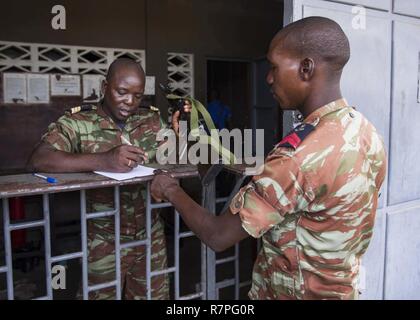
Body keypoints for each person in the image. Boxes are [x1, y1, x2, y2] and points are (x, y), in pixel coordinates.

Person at [151, 16, 387, 300]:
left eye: (274, 67)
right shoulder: (364, 131)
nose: (269, 78)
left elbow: (217, 235)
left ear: (306, 68)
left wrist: (170, 189)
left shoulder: (297, 156)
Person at [27, 58, 171, 300]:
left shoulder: (151, 120)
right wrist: (103, 160)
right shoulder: (79, 123)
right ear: (105, 87)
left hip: (150, 232)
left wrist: (185, 136)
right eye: (122, 92)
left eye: (138, 96)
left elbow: (176, 155)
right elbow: (39, 159)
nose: (130, 102)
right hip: (103, 237)